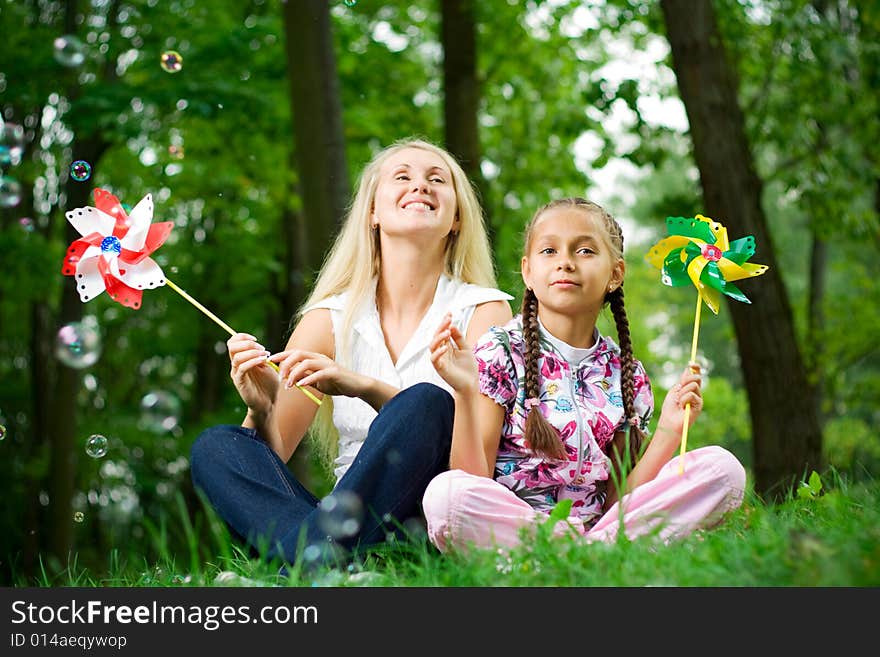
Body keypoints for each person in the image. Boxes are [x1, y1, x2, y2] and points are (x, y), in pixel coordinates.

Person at [190, 138, 513, 566]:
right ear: (373, 213)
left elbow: (478, 469)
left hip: (430, 524)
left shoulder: (484, 310)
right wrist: (262, 409)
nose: (421, 186)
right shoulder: (328, 318)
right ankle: (323, 563)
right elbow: (270, 463)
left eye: (437, 179)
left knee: (427, 402)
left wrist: (361, 386)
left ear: (456, 219)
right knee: (219, 445)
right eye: (403, 177)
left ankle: (305, 565)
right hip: (347, 525)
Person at [422, 197, 746, 553]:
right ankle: (592, 556)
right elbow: (474, 479)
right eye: (549, 250)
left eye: (585, 251)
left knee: (723, 469)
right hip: (518, 527)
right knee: (447, 495)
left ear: (615, 274)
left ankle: (584, 557)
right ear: (528, 272)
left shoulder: (628, 376)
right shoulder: (500, 351)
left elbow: (619, 503)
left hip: (602, 528)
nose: (565, 262)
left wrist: (671, 429)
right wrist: (465, 392)